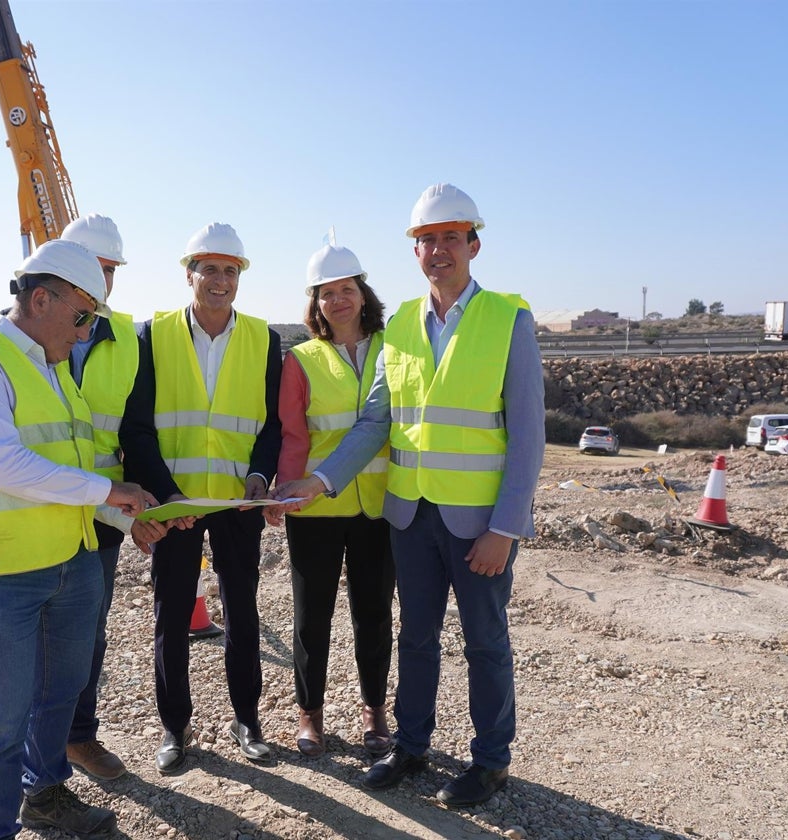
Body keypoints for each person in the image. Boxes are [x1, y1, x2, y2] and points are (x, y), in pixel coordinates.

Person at [273, 184, 545, 807]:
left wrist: (506, 528)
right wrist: (320, 481)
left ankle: (491, 761)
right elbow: (375, 422)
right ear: (414, 252)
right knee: (415, 637)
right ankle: (413, 746)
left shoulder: (508, 319)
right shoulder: (398, 326)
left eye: (452, 237)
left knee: (485, 640)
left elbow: (528, 437)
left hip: (479, 523)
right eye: (427, 240)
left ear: (474, 243)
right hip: (410, 515)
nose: (439, 249)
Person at [0, 239, 160, 840]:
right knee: (0, 720)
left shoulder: (55, 371)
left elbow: (74, 473)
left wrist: (127, 516)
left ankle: (46, 797)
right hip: (5, 572)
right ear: (39, 299)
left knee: (61, 696)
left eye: (94, 320)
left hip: (73, 561)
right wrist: (110, 496)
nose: (86, 334)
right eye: (82, 316)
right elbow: (5, 467)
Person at [120, 222, 283, 773]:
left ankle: (248, 721)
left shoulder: (265, 339)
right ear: (189, 273)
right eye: (209, 269)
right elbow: (137, 427)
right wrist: (167, 496)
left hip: (238, 504)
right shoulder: (153, 334)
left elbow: (272, 425)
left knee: (242, 612)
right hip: (176, 507)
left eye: (230, 271)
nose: (220, 280)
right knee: (171, 617)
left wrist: (261, 475)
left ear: (241, 278)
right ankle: (174, 728)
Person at [264, 240, 395, 758]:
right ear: (314, 304)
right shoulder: (301, 359)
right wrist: (282, 490)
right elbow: (292, 434)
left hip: (380, 506)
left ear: (363, 294)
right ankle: (309, 713)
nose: (338, 300)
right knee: (311, 615)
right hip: (315, 508)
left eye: (347, 289)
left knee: (374, 614)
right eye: (327, 293)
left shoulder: (395, 347)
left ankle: (374, 711)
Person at [59, 214, 169, 781]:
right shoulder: (26, 333)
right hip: (40, 509)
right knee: (38, 635)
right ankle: (38, 753)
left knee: (88, 632)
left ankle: (78, 737)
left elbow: (136, 432)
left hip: (102, 513)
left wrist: (146, 510)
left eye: (109, 270)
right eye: (93, 268)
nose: (102, 281)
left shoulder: (127, 335)